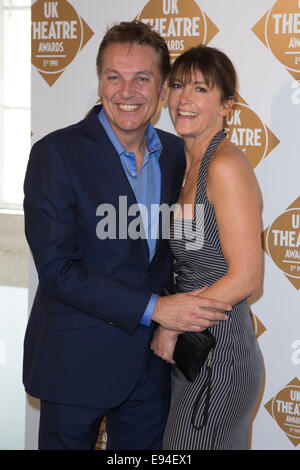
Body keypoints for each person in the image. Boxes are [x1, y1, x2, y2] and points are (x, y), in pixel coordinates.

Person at [23, 22, 231, 450]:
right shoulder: (56, 153)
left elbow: (172, 252)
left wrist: (171, 321)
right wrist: (158, 309)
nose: (126, 91)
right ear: (99, 83)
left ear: (162, 90)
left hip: (149, 368)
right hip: (75, 362)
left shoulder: (177, 153)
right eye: (114, 76)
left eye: (142, 78)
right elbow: (58, 271)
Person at [151, 45, 263, 450]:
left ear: (227, 105)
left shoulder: (224, 166)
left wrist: (171, 323)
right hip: (192, 351)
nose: (184, 99)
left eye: (201, 89)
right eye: (179, 85)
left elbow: (246, 276)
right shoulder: (183, 164)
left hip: (219, 353)